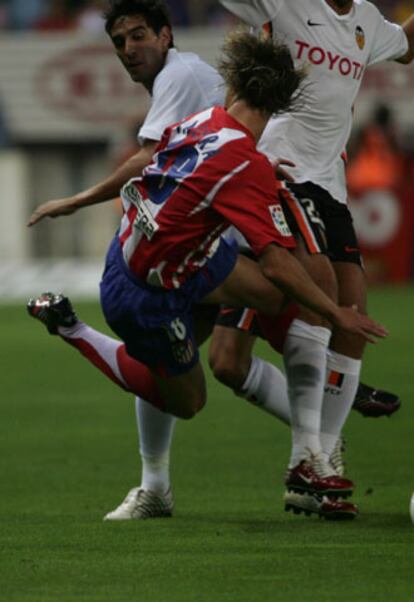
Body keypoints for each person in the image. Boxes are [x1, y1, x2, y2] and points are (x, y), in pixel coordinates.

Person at [27, 0, 399, 522]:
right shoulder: (243, 160)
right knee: (188, 396)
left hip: (180, 254)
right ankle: (70, 327)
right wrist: (339, 314)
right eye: (121, 41)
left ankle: (315, 438)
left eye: (137, 37)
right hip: (145, 289)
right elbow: (274, 261)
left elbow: (156, 163)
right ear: (280, 106)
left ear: (232, 89)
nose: (129, 50)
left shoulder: (206, 120)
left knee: (276, 304)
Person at [210, 0, 413, 516]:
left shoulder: (367, 21)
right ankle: (311, 458)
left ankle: (316, 461)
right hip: (279, 174)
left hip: (331, 187)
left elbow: (406, 48)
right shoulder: (288, 5)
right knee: (319, 300)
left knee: (351, 318)